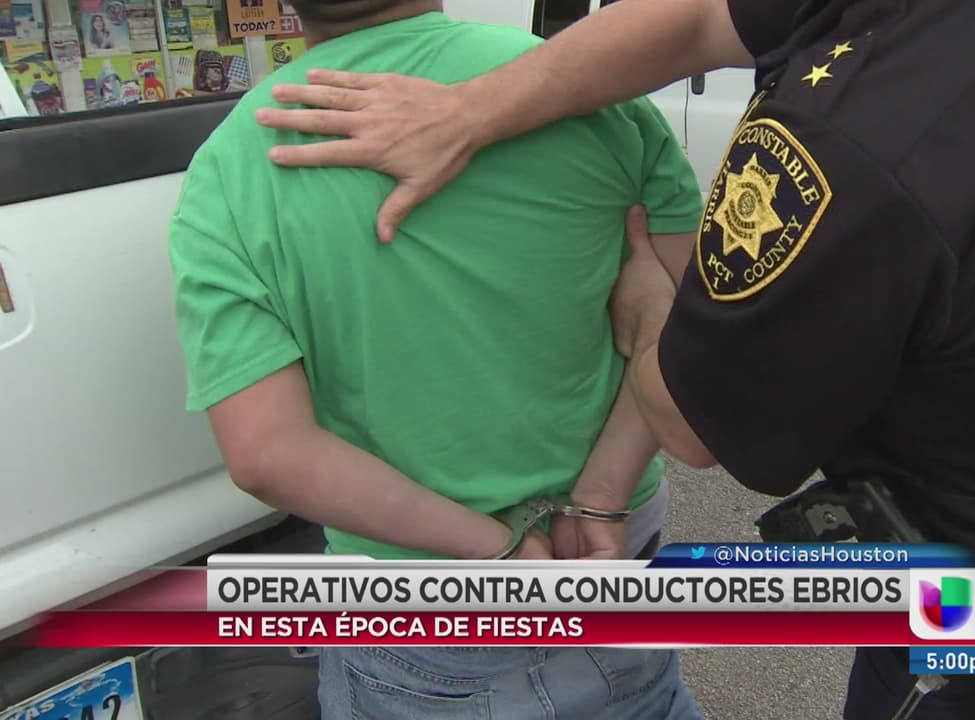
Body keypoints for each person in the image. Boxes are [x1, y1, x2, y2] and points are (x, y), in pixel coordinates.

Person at [254, 0, 975, 718]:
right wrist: (473, 109)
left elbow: (687, 415)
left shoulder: (851, 142)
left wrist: (649, 307)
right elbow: (694, 20)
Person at [167, 1, 707, 718]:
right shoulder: (588, 91)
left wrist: (496, 551)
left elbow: (268, 453)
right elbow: (705, 328)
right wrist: (601, 491)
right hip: (613, 542)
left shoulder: (230, 167)